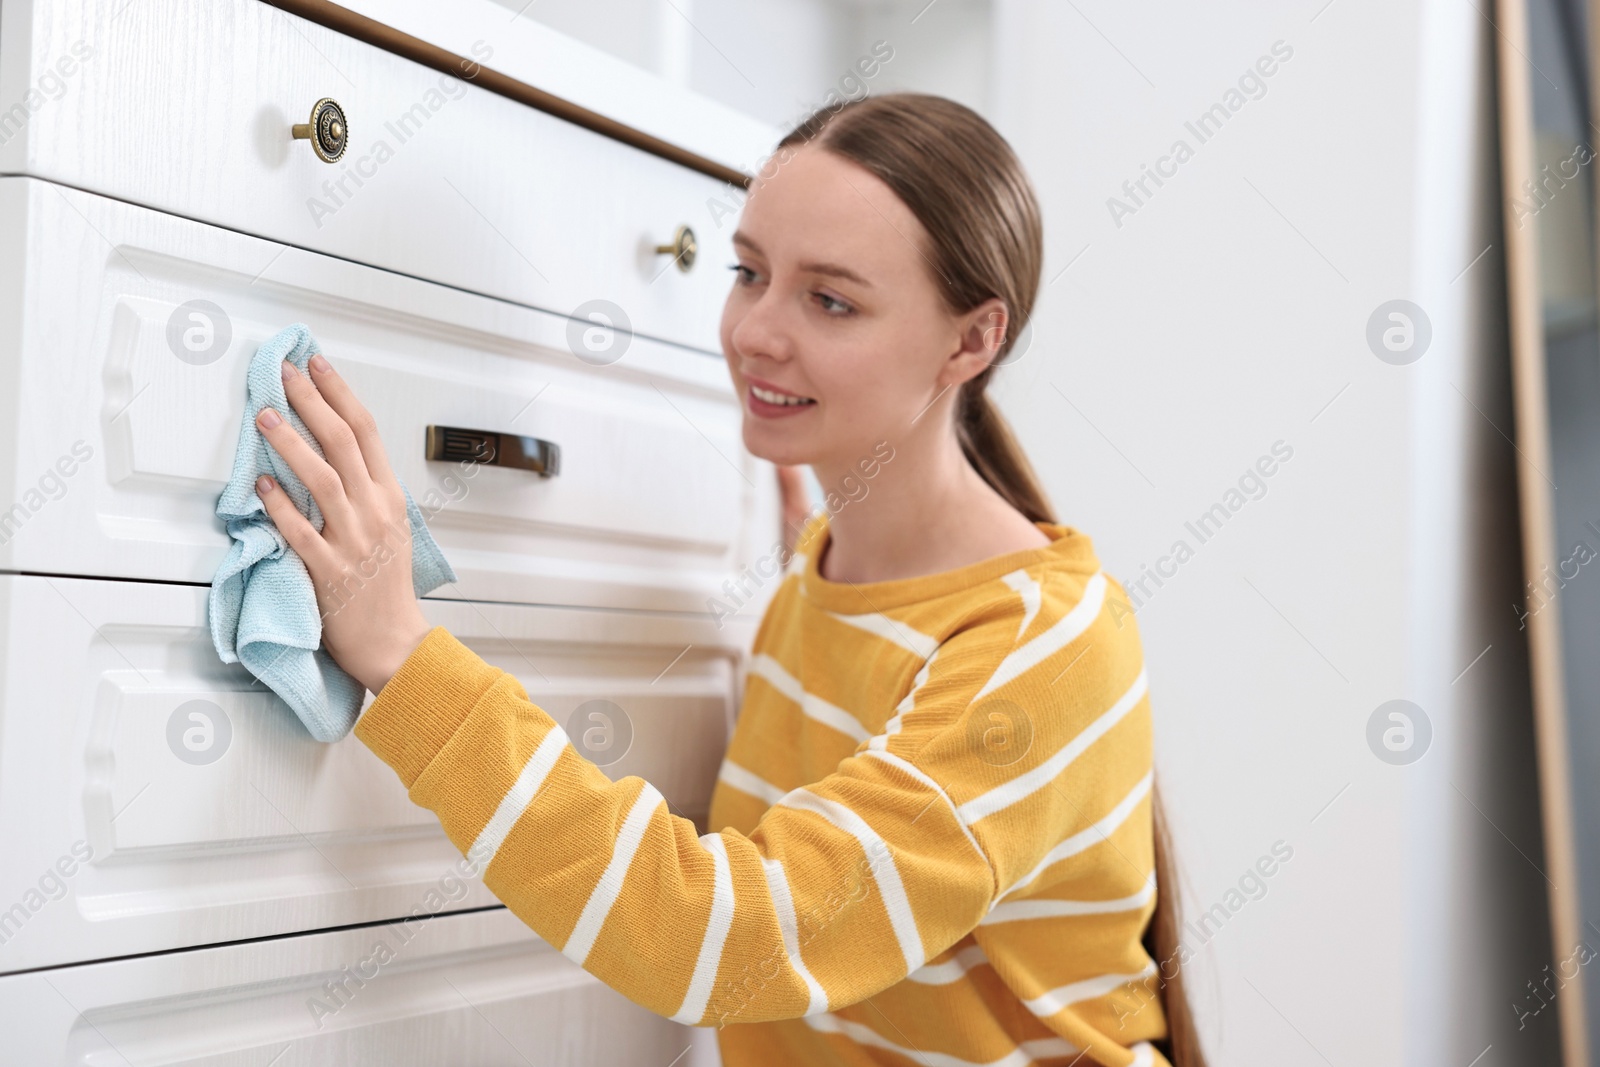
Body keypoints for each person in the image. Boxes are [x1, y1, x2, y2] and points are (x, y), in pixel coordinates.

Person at [249, 92, 1207, 1067]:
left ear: (970, 340)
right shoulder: (827, 569)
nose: (754, 330)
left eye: (830, 299)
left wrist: (407, 659)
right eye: (748, 271)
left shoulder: (1046, 643)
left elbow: (724, 941)